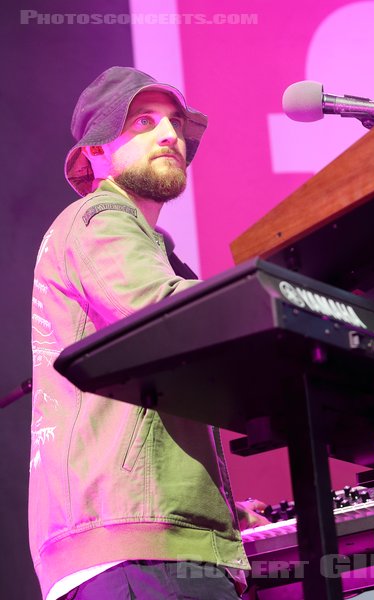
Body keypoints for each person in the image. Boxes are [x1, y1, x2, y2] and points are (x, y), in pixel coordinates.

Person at [29, 66, 268, 600]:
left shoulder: (147, 245)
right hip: (140, 551)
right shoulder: (102, 216)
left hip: (138, 544)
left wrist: (224, 516)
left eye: (174, 123)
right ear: (94, 152)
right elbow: (163, 315)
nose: (169, 135)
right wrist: (284, 295)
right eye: (143, 121)